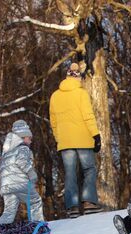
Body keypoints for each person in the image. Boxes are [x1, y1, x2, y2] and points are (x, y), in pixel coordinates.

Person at [50, 62, 102, 218]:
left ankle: (72, 207)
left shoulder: (55, 96)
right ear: (78, 78)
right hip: (83, 138)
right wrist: (96, 135)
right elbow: (88, 115)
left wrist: (59, 138)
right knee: (89, 169)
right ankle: (89, 203)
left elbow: (53, 121)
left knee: (70, 173)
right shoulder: (81, 93)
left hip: (65, 141)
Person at [0, 120, 44, 224]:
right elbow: (21, 161)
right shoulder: (23, 148)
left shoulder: (6, 152)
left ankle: (1, 232)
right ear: (22, 137)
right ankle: (37, 226)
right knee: (35, 201)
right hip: (20, 183)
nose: (31, 141)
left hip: (6, 186)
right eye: (29, 138)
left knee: (9, 210)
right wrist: (31, 173)